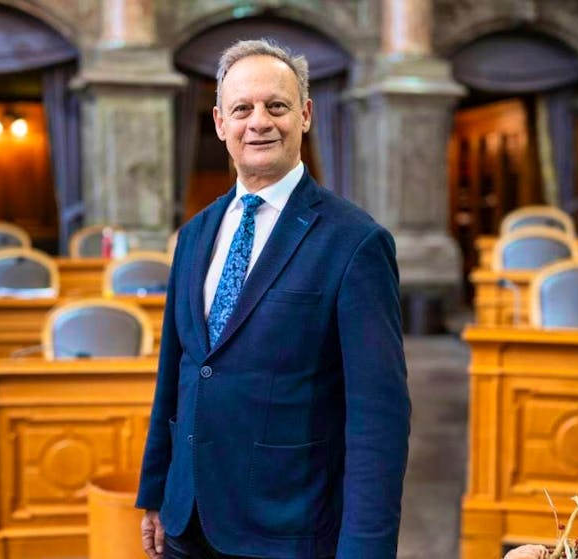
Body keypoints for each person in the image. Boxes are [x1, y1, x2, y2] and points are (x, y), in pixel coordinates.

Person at [135, 38, 411, 558]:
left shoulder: (355, 242)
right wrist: (156, 491)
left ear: (305, 115)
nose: (258, 122)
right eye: (242, 108)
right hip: (187, 520)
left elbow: (379, 420)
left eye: (276, 106)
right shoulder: (194, 234)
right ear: (220, 123)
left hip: (288, 530)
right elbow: (177, 372)